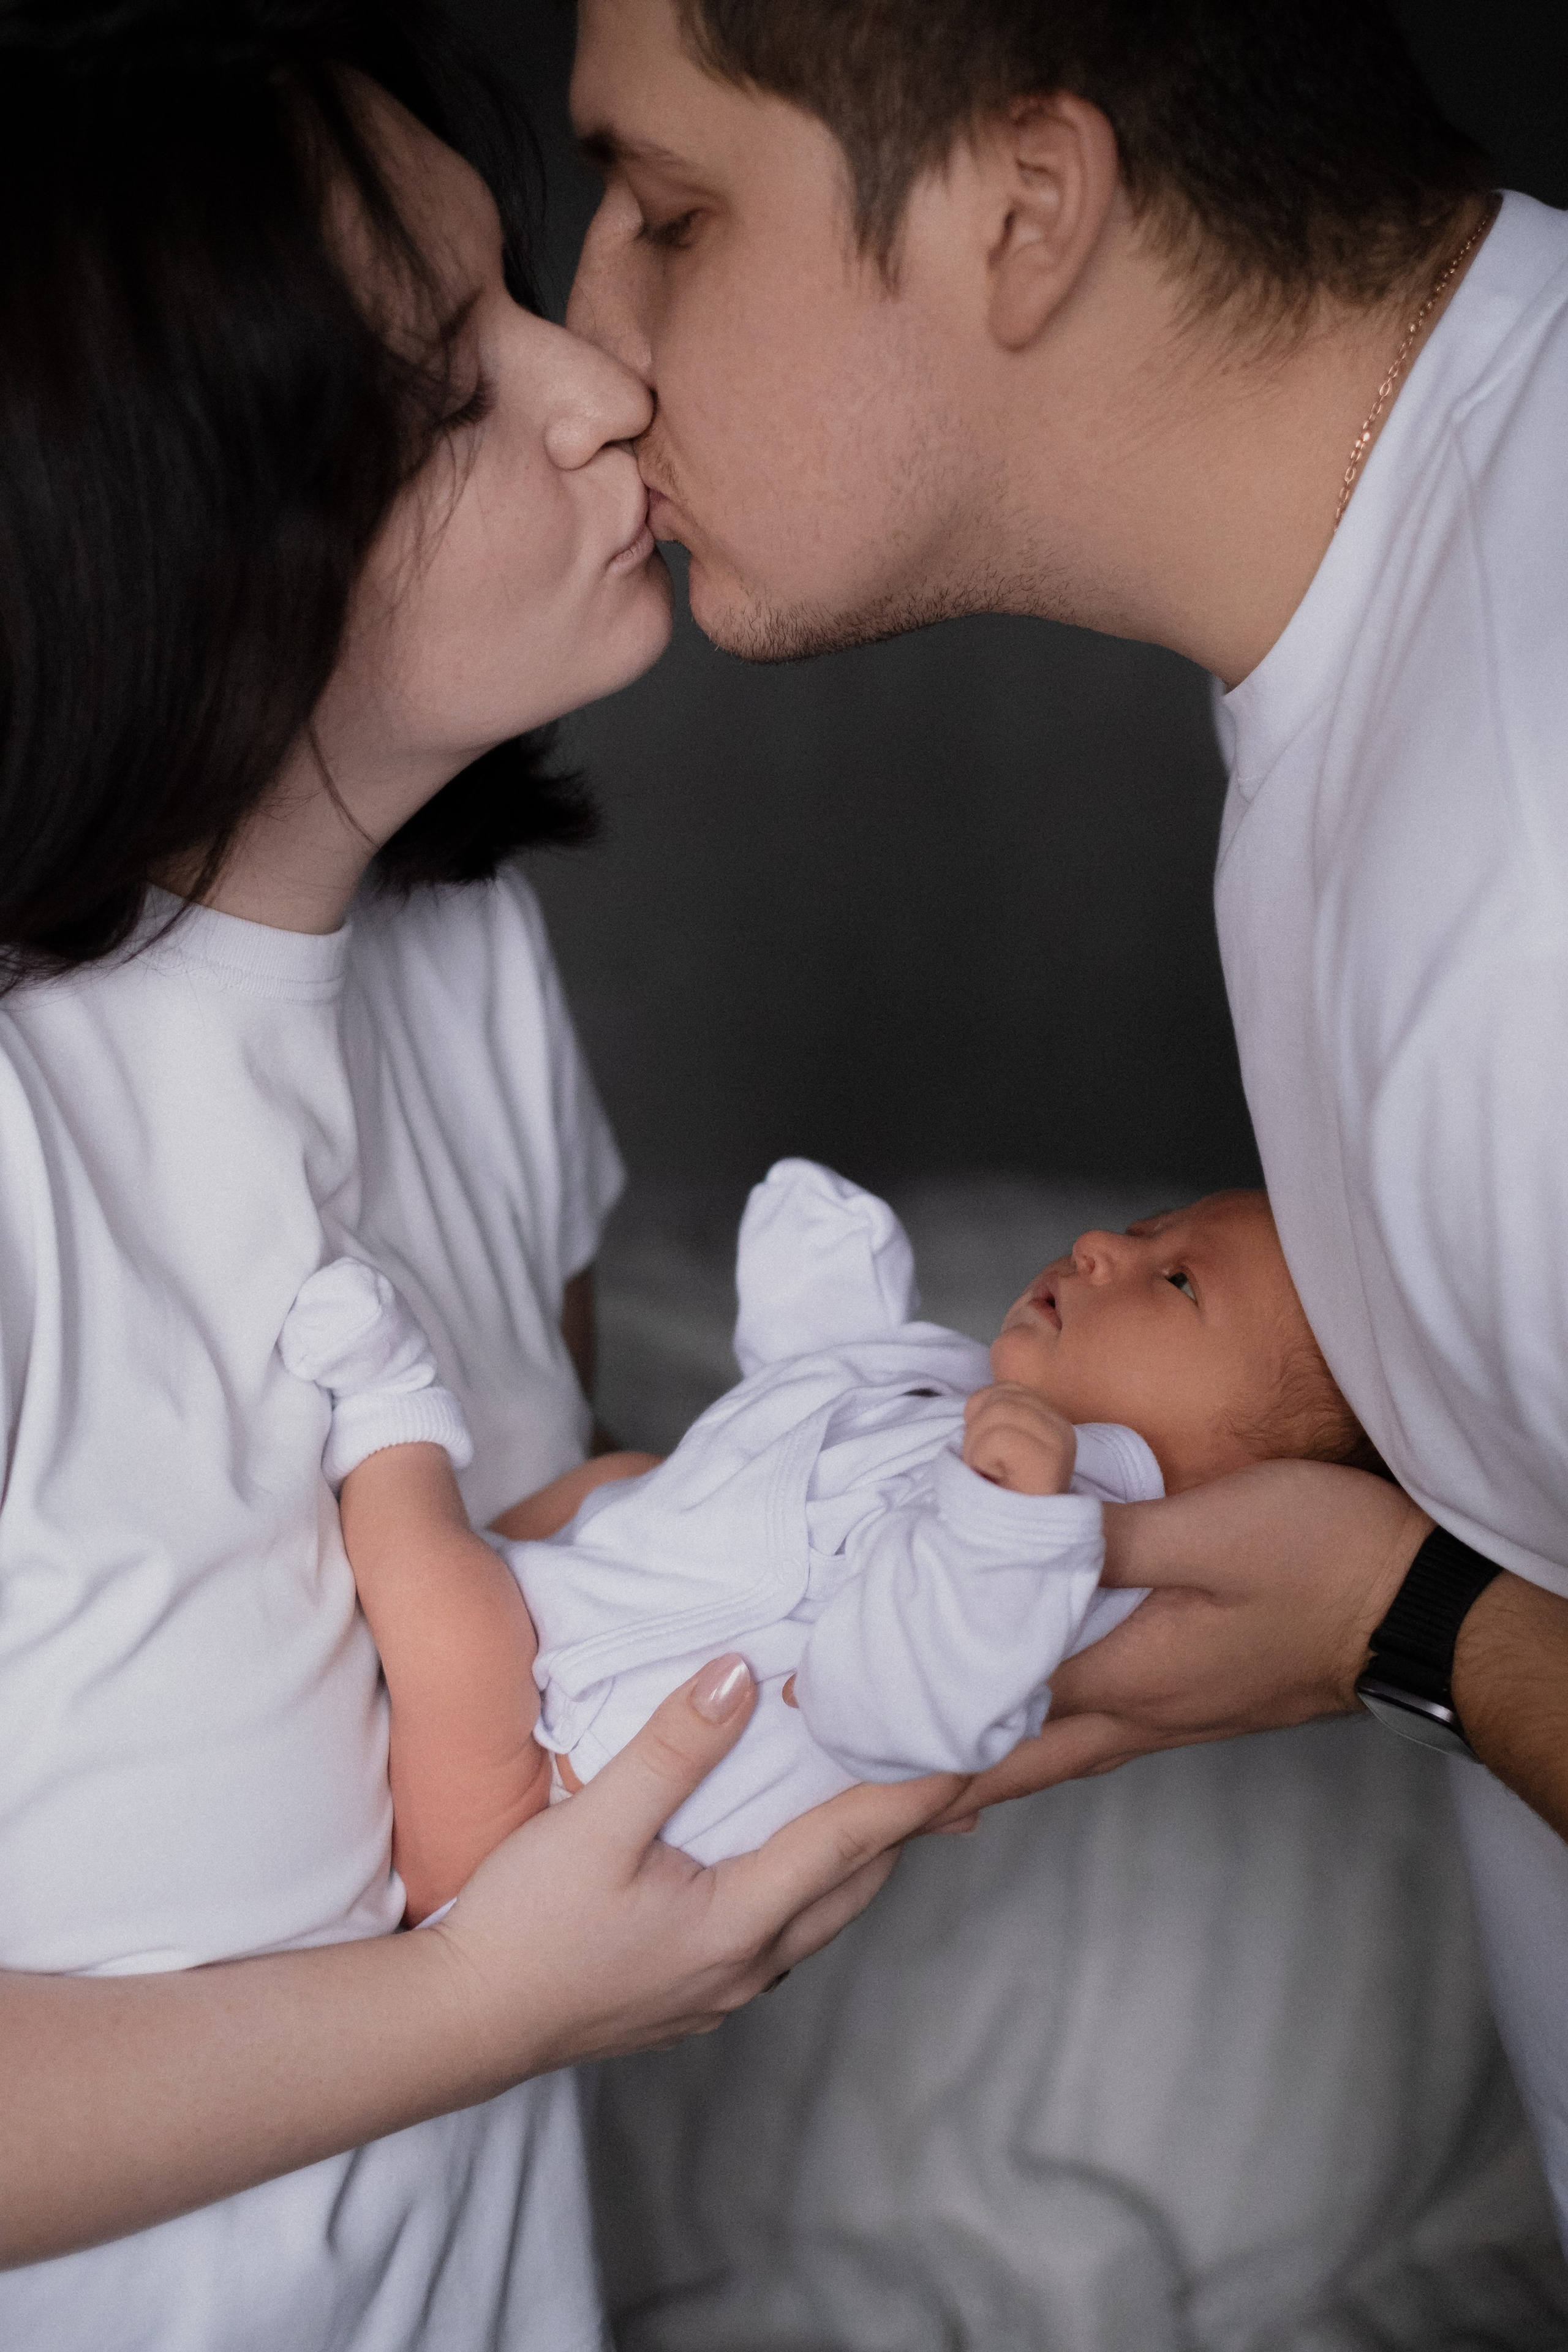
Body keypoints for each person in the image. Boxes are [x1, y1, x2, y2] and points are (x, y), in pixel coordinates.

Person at [563, 0, 1568, 2237]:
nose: (585, 341)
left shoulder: (1531, 875)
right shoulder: (1420, 601)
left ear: (1026, 210)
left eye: (667, 214)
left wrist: (1401, 1629)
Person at [0, 5, 958, 2342]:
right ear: (175, 534)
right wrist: (492, 2007)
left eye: (519, 283)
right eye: (454, 387)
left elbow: (553, 1601)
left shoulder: (466, 971)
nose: (603, 385)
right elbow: (492, 1963)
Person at [285, 1161, 1378, 1896]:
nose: (1098, 1245)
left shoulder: (1050, 1552)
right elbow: (818, 1414)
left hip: (546, 1809)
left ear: (1239, 1468)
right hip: (595, 1621)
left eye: (1174, 1279)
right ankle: (456, 1562)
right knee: (623, 1478)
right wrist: (832, 1301)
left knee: (461, 1633)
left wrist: (1000, 1524)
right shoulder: (974, 1396)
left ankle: (390, 1418)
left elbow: (886, 1709)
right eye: (1141, 1231)